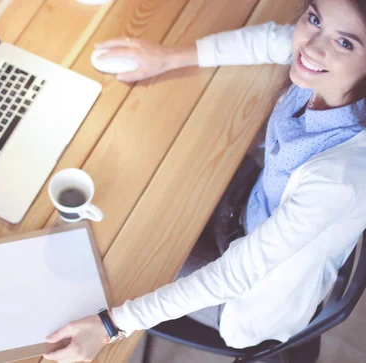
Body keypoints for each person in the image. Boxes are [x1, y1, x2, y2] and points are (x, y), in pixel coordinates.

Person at [43, 0, 366, 362]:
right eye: (315, 18)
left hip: (248, 295)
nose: (311, 46)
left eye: (346, 43)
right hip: (248, 210)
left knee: (106, 262)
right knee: (141, 179)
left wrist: (109, 326)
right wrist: (168, 57)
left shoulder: (340, 179)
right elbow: (273, 39)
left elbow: (235, 275)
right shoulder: (323, 70)